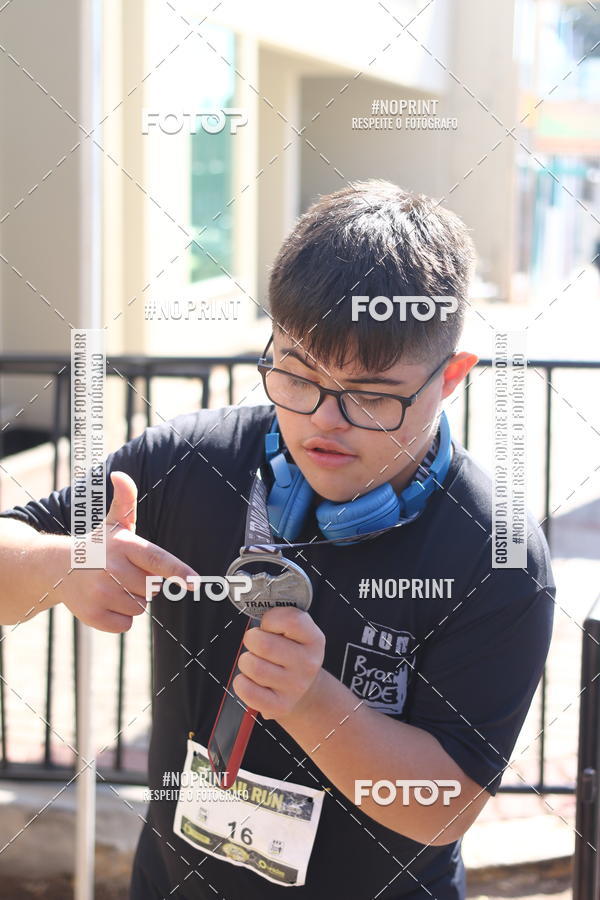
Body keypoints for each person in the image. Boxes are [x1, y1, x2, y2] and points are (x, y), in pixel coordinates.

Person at [0, 180, 555, 899]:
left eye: (372, 395)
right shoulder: (186, 463)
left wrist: (311, 704)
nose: (326, 420)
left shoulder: (494, 554)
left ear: (450, 380)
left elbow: (448, 806)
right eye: (295, 375)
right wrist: (61, 564)